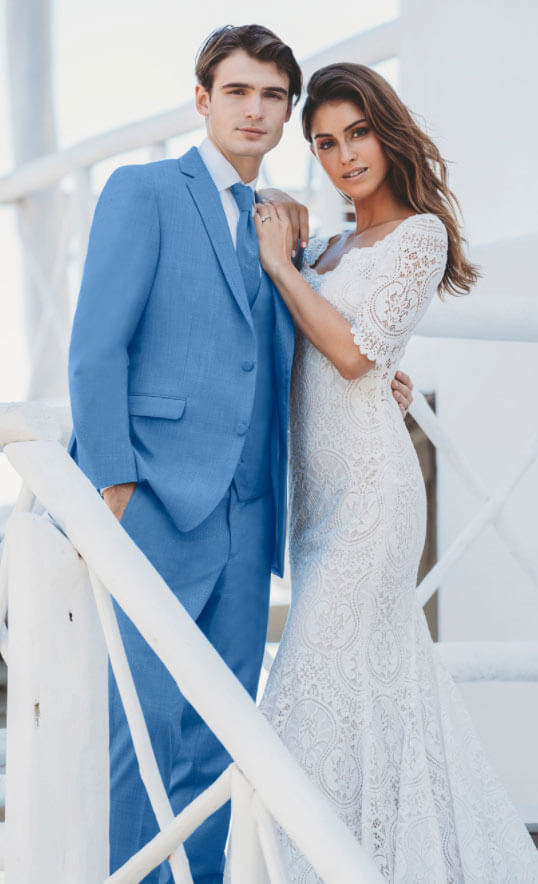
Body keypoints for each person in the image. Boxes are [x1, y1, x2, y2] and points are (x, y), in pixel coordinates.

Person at [67, 26, 414, 884]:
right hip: (151, 500)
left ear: (287, 112)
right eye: (237, 91)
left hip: (250, 516)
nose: (254, 109)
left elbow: (288, 350)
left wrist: (377, 388)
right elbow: (95, 350)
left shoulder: (287, 228)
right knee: (146, 729)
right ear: (202, 99)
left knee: (226, 736)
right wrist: (113, 481)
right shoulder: (144, 192)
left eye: (271, 96)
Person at [254, 63, 538, 882]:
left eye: (358, 134)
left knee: (312, 679)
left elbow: (348, 353)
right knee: (373, 694)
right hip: (317, 504)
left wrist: (283, 269)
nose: (345, 157)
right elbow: (346, 353)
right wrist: (380, 367)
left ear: (387, 128)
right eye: (325, 144)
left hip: (375, 501)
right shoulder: (332, 245)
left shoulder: (420, 234)